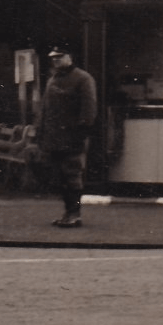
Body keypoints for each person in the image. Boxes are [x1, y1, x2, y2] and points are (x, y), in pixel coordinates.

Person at [37, 48, 97, 228]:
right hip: (53, 138)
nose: (55, 60)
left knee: (72, 176)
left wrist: (81, 133)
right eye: (53, 58)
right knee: (60, 178)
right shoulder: (53, 79)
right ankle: (67, 213)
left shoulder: (83, 79)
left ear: (70, 57)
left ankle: (74, 214)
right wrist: (41, 130)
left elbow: (89, 109)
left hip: (72, 137)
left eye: (60, 57)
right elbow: (45, 108)